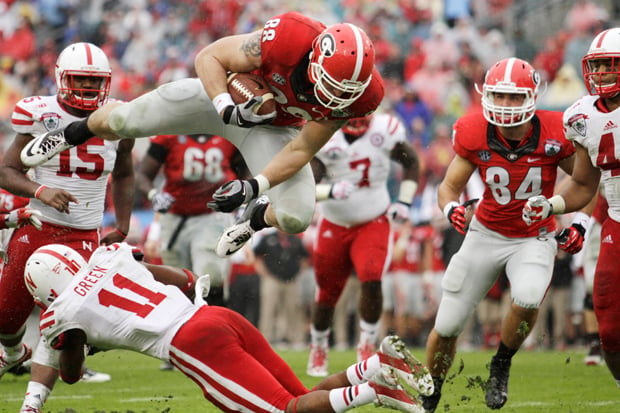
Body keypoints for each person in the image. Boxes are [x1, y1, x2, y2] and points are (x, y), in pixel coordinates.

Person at [20, 12, 384, 260]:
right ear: (316, 58)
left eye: (346, 91)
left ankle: (253, 219)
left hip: (273, 127)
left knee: (296, 216)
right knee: (129, 119)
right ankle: (71, 133)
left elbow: (304, 147)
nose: (334, 97)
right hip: (223, 99)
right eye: (332, 85)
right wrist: (225, 105)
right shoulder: (290, 37)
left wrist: (253, 187)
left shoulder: (363, 96)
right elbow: (209, 57)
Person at [23, 242, 433, 413]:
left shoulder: (62, 312)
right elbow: (184, 276)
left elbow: (72, 374)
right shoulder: (108, 256)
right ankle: (373, 365)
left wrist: (84, 341)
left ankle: (375, 389)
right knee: (304, 398)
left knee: (287, 410)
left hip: (190, 342)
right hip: (215, 315)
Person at [421, 57, 581, 412]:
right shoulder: (474, 131)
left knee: (526, 297)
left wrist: (576, 223)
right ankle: (431, 391)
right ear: (485, 95)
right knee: (447, 324)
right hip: (485, 232)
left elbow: (584, 183)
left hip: (534, 237)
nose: (505, 105)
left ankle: (501, 362)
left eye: (513, 97)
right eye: (499, 95)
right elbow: (448, 187)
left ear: (532, 98)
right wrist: (452, 210)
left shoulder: (556, 131)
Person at [0, 42, 135, 410]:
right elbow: (6, 169)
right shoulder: (39, 111)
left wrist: (122, 223)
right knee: (4, 317)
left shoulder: (120, 117)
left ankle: (32, 404)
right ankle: (13, 352)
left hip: (83, 236)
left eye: (95, 83)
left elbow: (124, 172)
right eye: (80, 81)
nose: (89, 90)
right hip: (37, 225)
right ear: (62, 78)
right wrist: (40, 191)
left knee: (57, 319)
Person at [522, 28, 620, 388]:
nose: (604, 73)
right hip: (617, 221)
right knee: (608, 327)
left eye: (612, 64)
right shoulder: (582, 116)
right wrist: (551, 204)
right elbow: (583, 184)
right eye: (599, 65)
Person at [306, 113, 421, 377]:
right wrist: (330, 192)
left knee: (372, 278)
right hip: (333, 222)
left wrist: (404, 201)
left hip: (373, 219)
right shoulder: (323, 132)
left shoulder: (385, 129)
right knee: (326, 293)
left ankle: (367, 344)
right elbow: (304, 185)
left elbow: (411, 162)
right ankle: (319, 343)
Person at [135, 133, 249, 307]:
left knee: (210, 277)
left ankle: (213, 322)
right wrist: (154, 194)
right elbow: (142, 174)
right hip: (175, 217)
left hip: (213, 214)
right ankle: (183, 328)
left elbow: (245, 174)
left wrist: (243, 203)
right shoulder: (170, 135)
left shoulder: (228, 134)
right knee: (178, 285)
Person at [254, 229, 309, 349]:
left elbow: (304, 257)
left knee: (292, 309)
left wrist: (298, 272)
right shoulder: (268, 239)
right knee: (269, 309)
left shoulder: (295, 240)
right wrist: (263, 272)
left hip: (291, 280)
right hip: (272, 278)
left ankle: (294, 339)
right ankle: (266, 339)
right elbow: (257, 256)